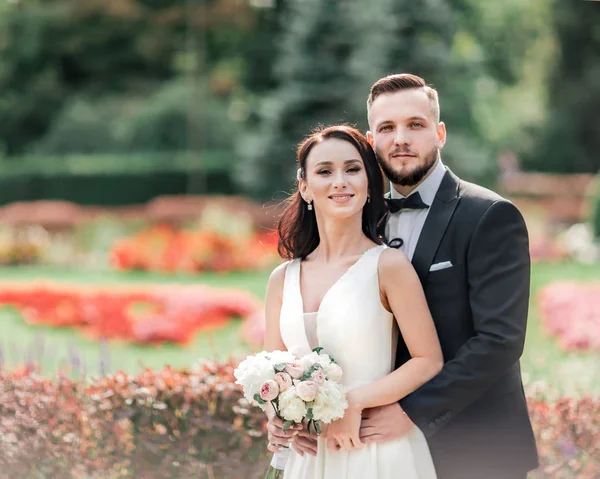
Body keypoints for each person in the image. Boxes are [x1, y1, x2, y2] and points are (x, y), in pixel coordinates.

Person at [288, 74, 539, 479]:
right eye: (387, 128)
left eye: (415, 125)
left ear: (439, 133)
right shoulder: (360, 219)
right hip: (371, 451)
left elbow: (500, 341)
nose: (400, 138)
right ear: (372, 141)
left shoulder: (489, 216)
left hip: (475, 445)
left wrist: (412, 411)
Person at [263, 124, 443, 478]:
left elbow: (427, 360)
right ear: (305, 187)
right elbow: (275, 370)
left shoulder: (388, 265)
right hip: (309, 458)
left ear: (368, 182)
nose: (340, 181)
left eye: (353, 169)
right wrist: (277, 420)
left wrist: (354, 402)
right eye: (325, 171)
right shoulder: (282, 279)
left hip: (376, 451)